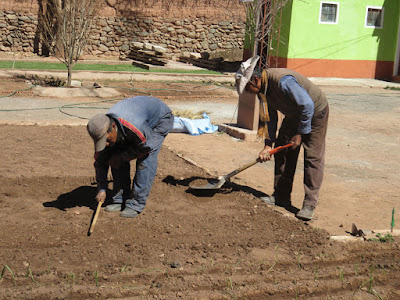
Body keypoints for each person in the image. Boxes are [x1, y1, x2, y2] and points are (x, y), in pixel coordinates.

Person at [244, 66, 329, 221]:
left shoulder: (284, 81)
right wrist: (268, 145)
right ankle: (281, 196)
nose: (246, 92)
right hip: (295, 114)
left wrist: (300, 134)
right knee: (281, 150)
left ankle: (309, 205)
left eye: (246, 87)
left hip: (316, 112)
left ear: (255, 80)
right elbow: (268, 118)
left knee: (312, 157)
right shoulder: (262, 91)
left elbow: (307, 105)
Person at [86, 96, 174, 218]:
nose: (105, 144)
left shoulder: (135, 127)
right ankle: (120, 198)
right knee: (114, 155)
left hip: (159, 120)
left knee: (145, 161)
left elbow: (145, 148)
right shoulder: (104, 127)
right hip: (136, 120)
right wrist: (102, 189)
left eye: (105, 140)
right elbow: (100, 161)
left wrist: (123, 157)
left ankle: (136, 203)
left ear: (113, 128)